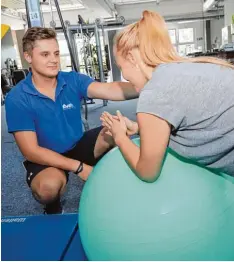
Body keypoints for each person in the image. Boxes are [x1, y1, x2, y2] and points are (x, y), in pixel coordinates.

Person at [5, 27, 138, 214]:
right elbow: (31, 151)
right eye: (45, 54)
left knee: (115, 127)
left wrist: (146, 84)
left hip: (77, 144)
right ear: (28, 57)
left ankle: (111, 179)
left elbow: (110, 89)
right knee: (47, 189)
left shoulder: (72, 80)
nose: (53, 60)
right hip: (46, 156)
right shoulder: (17, 98)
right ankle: (53, 205)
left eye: (56, 53)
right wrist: (79, 168)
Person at [100, 10, 234, 182]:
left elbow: (148, 172)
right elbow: (195, 115)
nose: (123, 75)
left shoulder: (154, 93)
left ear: (132, 58)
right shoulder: (181, 69)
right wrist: (139, 127)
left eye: (120, 66)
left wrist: (119, 137)